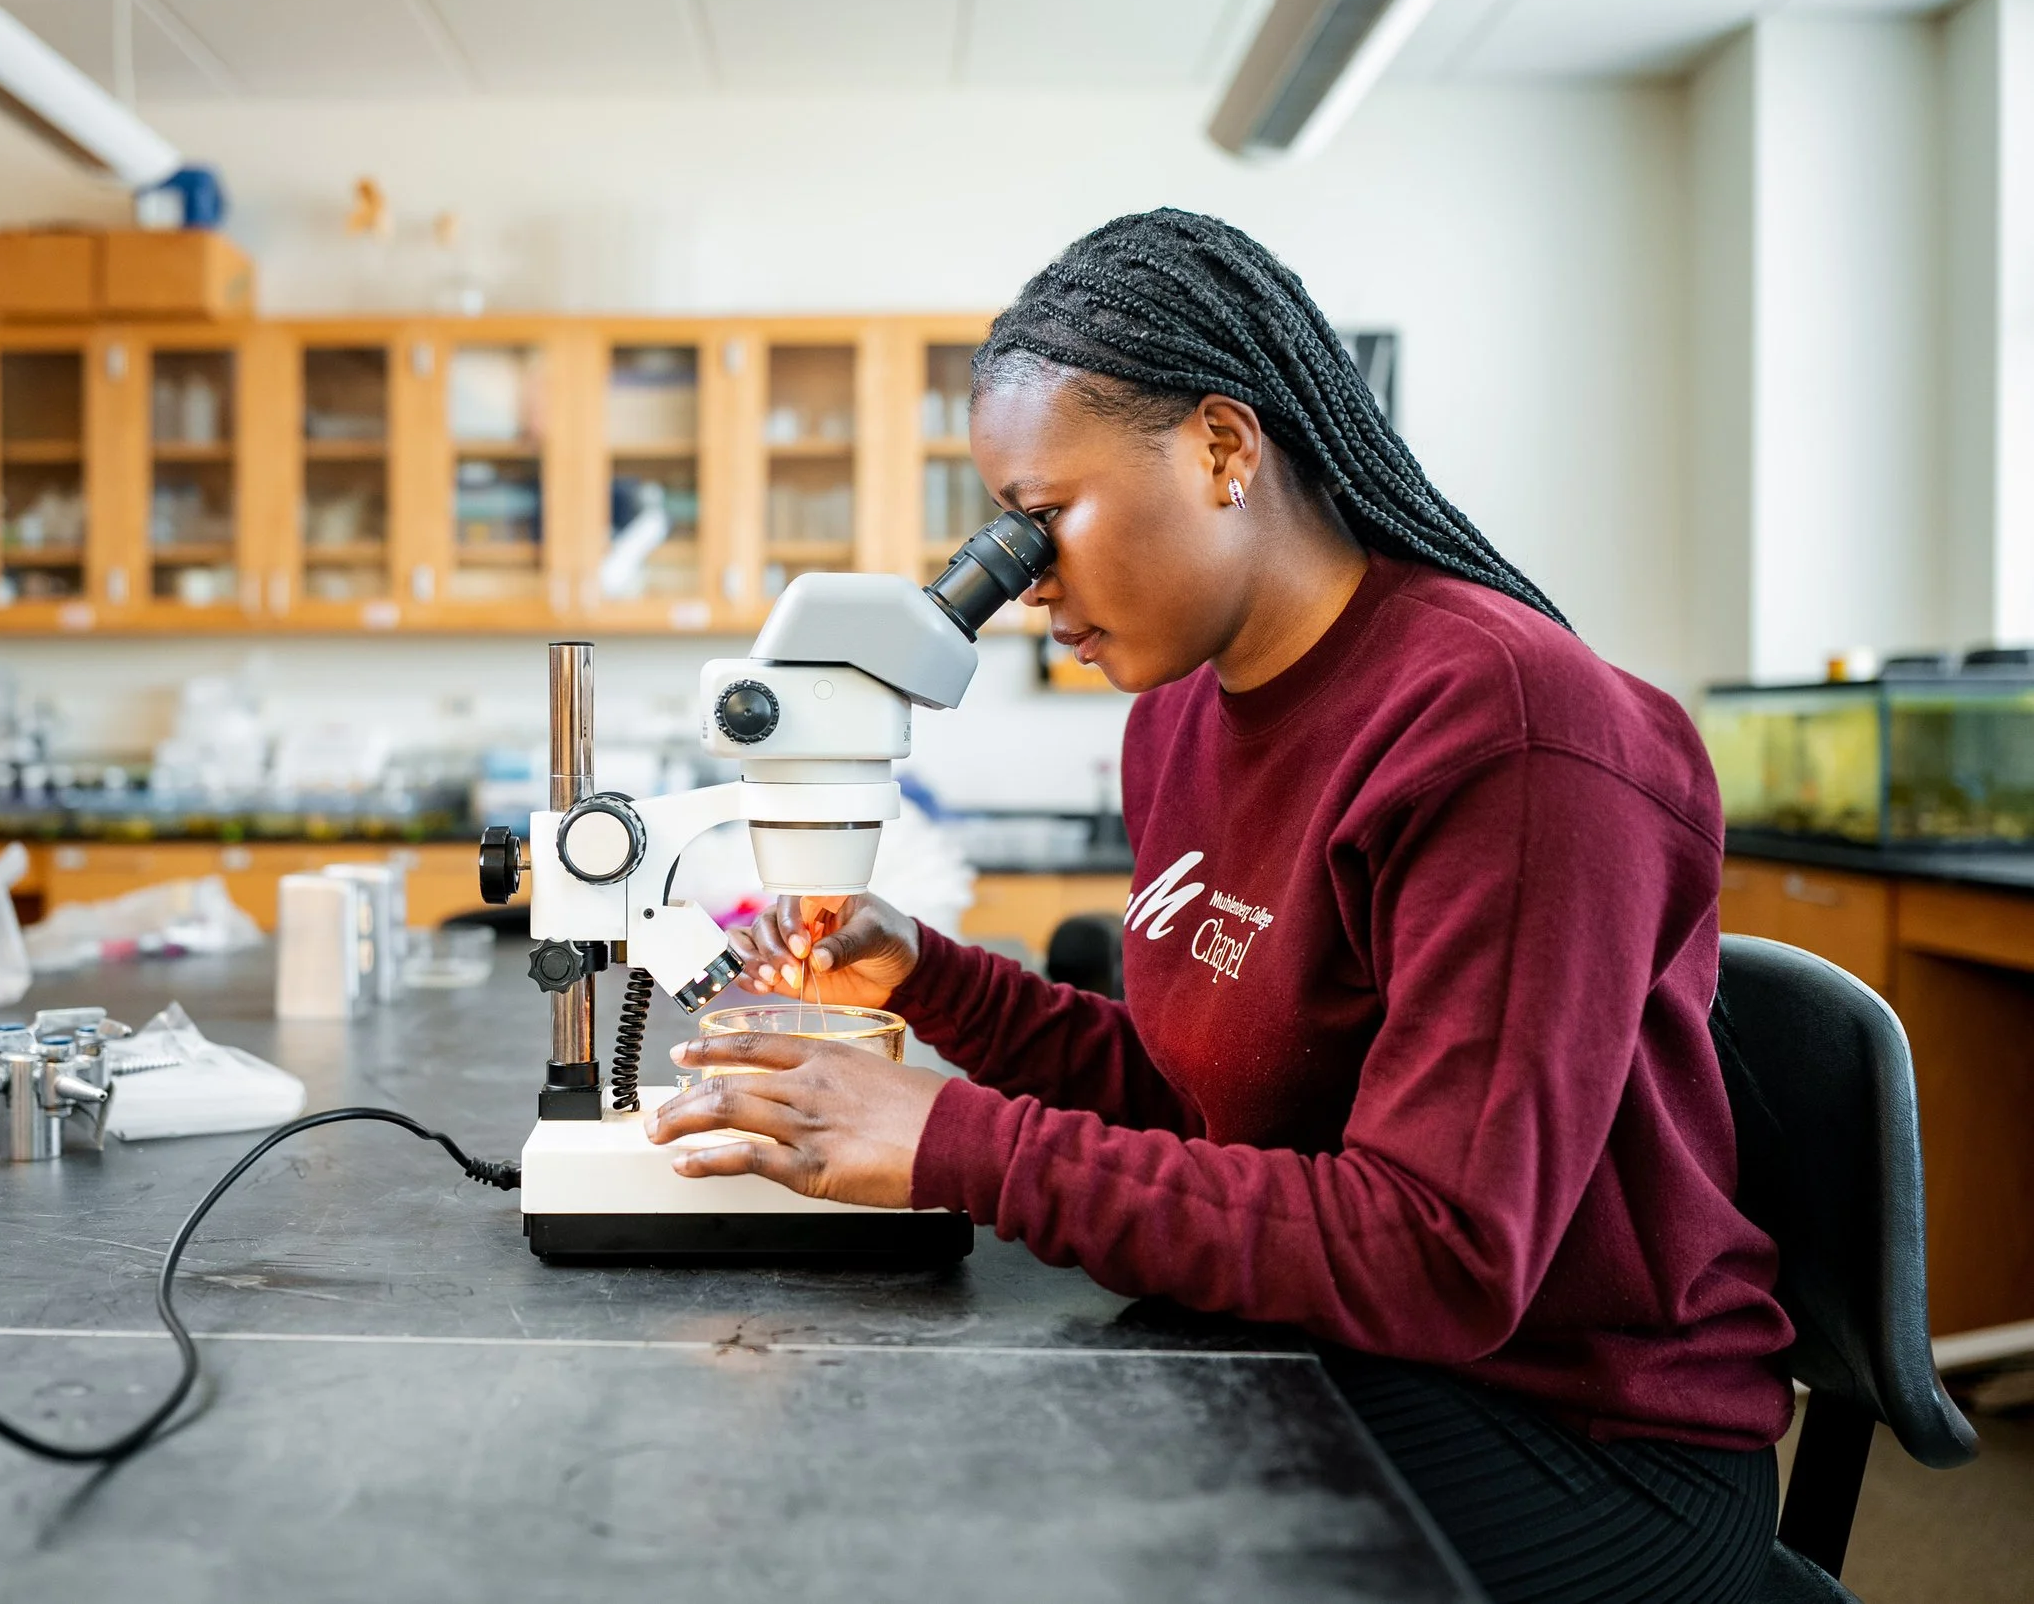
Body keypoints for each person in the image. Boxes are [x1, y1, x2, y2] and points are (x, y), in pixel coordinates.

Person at [647, 209, 1794, 1604]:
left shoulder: (1507, 731)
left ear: (1223, 447)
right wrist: (929, 980)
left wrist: (953, 1140)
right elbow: (1214, 1100)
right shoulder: (1179, 717)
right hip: (1347, 1340)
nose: (1026, 588)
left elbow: (1443, 1247)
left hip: (1581, 1433)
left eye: (1042, 521)